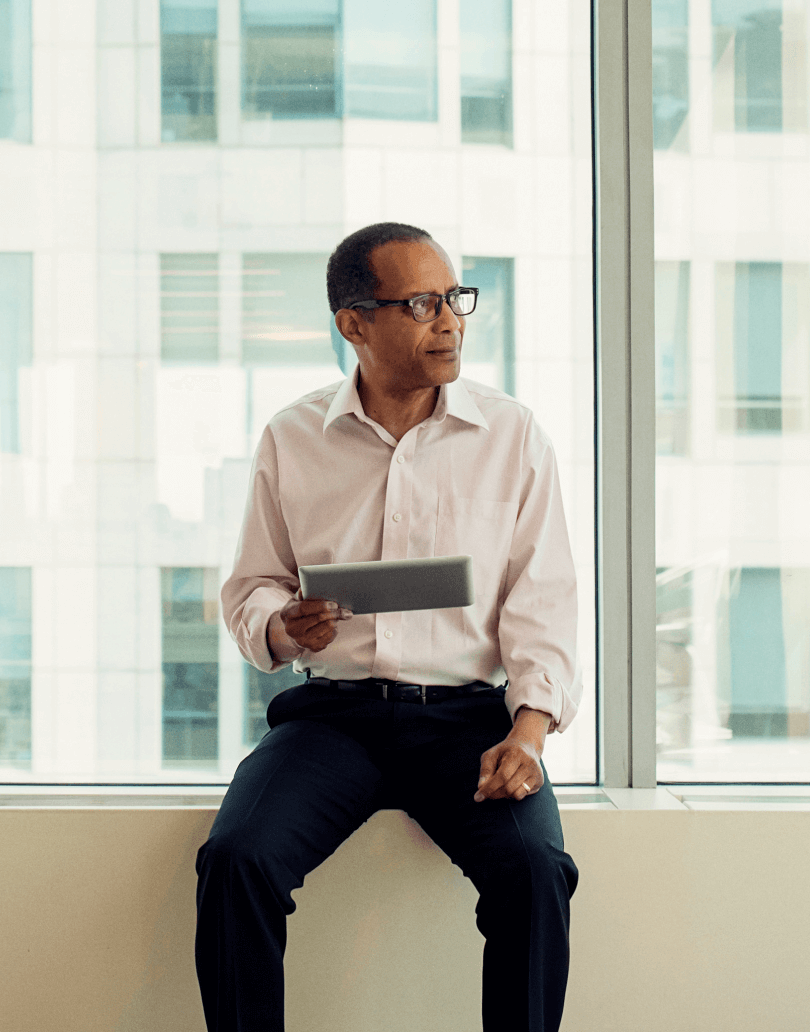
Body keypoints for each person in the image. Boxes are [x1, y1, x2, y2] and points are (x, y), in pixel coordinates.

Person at [195, 221, 581, 1032]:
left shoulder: (511, 437)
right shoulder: (293, 437)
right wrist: (283, 623)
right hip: (334, 721)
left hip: (468, 721)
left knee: (537, 870)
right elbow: (248, 589)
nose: (449, 319)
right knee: (236, 859)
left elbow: (540, 603)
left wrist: (529, 733)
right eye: (420, 303)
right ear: (354, 322)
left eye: (453, 298)